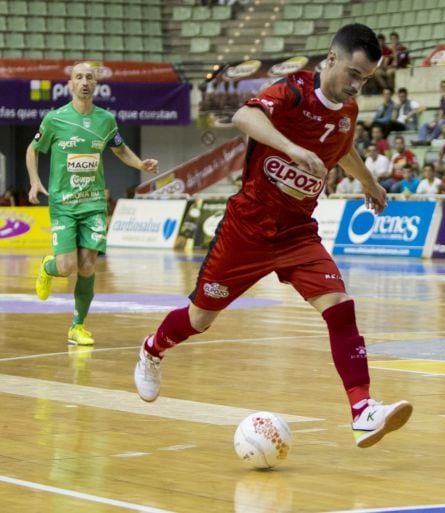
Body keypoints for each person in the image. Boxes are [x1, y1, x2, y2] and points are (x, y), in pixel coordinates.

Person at [133, 24, 412, 448]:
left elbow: (344, 147)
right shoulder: (294, 91)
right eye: (353, 73)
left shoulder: (347, 113)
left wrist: (369, 183)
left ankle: (362, 410)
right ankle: (153, 348)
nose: (357, 85)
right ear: (332, 59)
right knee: (200, 318)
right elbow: (244, 116)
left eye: (366, 79)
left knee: (339, 307)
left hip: (298, 233)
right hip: (247, 229)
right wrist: (293, 149)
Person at [28, 62, 159, 347]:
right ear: (71, 84)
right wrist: (34, 182)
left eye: (89, 77)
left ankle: (77, 326)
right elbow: (32, 149)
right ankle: (48, 267)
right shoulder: (55, 119)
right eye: (79, 77)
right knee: (66, 267)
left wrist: (140, 163)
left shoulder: (106, 120)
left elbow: (119, 147)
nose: (84, 81)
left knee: (87, 267)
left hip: (94, 204)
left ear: (95, 84)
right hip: (63, 204)